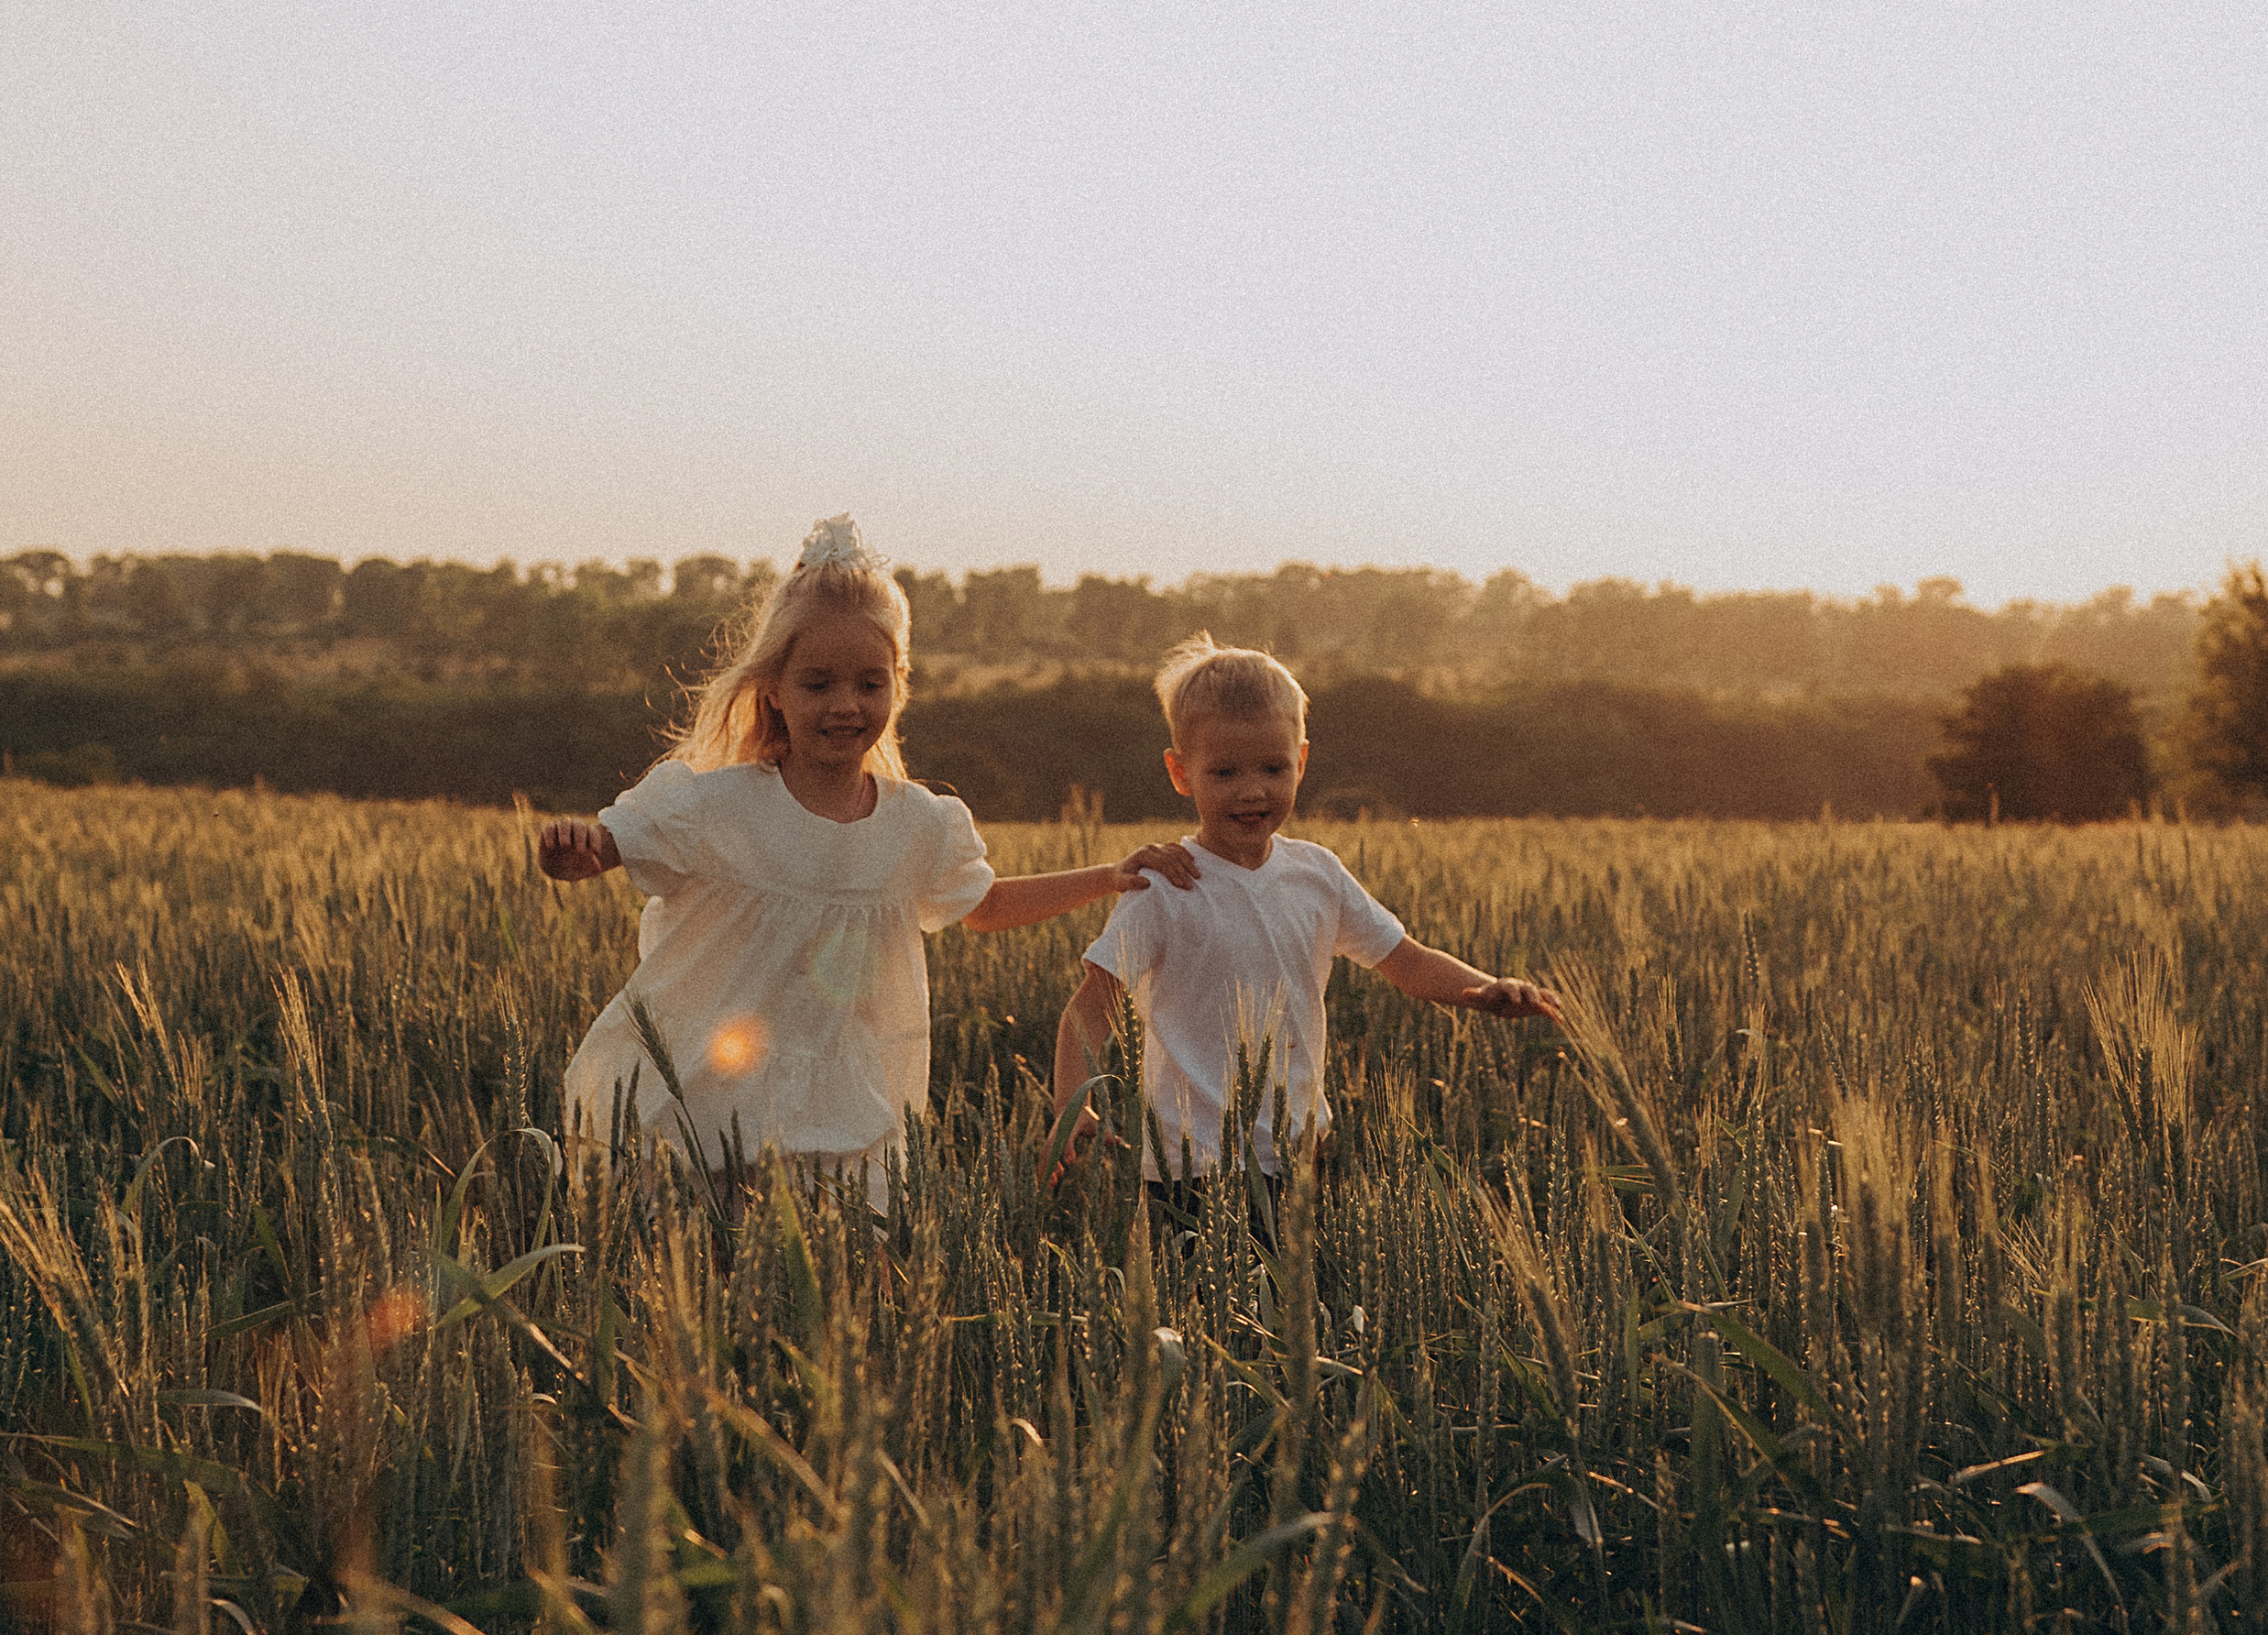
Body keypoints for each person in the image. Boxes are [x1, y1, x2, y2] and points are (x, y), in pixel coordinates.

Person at [543, 515, 1192, 1203]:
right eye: (818, 684)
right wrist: (581, 850)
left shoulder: (917, 824)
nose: (846, 705)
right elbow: (615, 844)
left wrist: (1109, 876)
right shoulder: (715, 806)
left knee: (848, 1272)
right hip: (711, 1088)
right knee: (701, 1265)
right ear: (773, 688)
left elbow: (988, 905)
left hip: (842, 1095)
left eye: (869, 684)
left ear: (898, 686)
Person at [1052, 633, 1554, 1216]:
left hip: (1300, 1153)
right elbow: (1093, 1004)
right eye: (1224, 773)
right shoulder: (1164, 887)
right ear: (1180, 772)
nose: (1252, 790)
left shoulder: (1317, 874)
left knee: (1294, 1303)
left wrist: (1485, 988)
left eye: (1273, 767)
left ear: (1303, 760)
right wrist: (1072, 1101)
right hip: (1188, 1166)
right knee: (1197, 1306)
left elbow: (1408, 961)